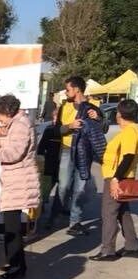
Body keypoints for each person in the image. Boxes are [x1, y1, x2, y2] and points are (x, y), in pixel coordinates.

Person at [0, 95, 40, 279]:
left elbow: (13, 153)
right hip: (17, 180)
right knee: (11, 225)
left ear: (6, 111)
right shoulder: (19, 123)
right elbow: (12, 145)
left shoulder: (20, 125)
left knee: (12, 227)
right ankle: (15, 263)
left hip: (18, 180)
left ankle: (16, 266)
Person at [47, 76, 105, 235]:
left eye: (68, 89)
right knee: (64, 185)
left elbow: (103, 128)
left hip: (85, 152)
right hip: (66, 150)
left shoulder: (94, 106)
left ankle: (75, 222)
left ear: (77, 89)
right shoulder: (64, 107)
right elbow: (55, 130)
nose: (66, 92)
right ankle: (55, 214)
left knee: (80, 189)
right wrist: (69, 126)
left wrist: (98, 118)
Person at [89, 99, 138, 261]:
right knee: (122, 212)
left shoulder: (130, 131)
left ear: (120, 114)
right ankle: (132, 245)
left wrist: (116, 178)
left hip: (116, 177)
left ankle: (108, 250)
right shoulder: (130, 130)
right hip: (119, 176)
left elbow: (128, 156)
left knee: (108, 213)